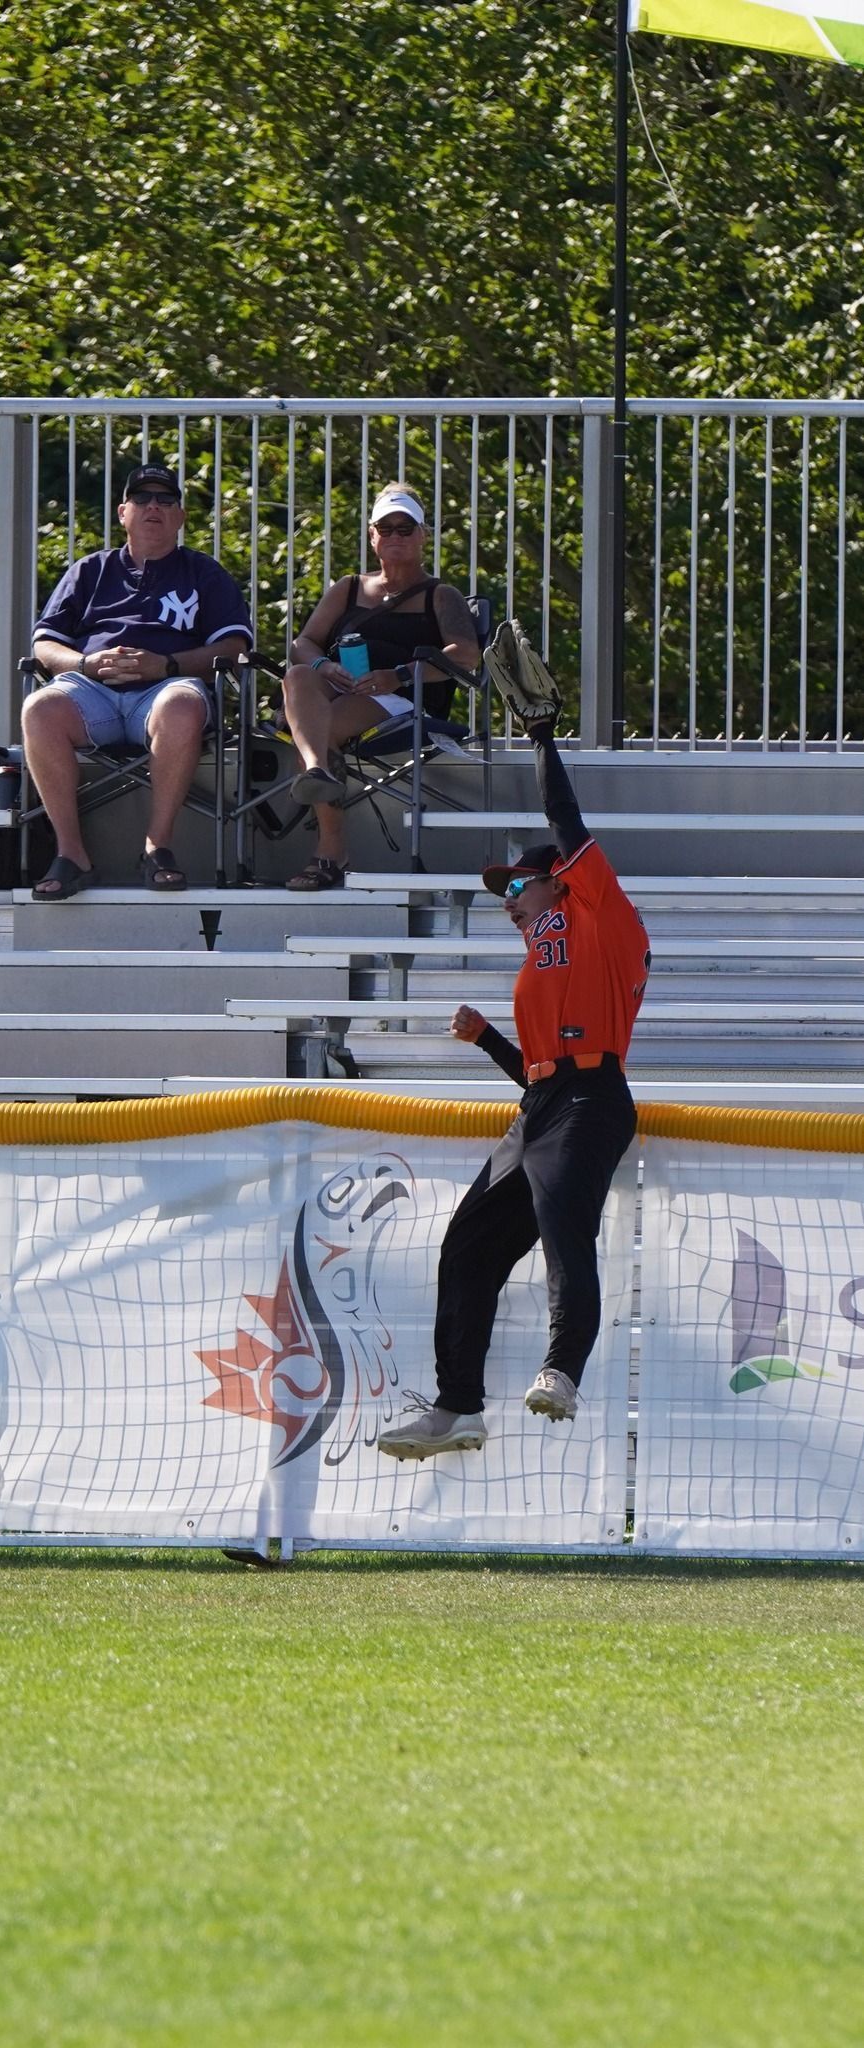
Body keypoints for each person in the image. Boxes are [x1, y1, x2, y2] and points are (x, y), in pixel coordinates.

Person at [377, 699, 651, 1460]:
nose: (505, 902)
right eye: (501, 893)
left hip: (594, 1099)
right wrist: (489, 1039)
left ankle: (562, 1369)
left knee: (566, 1230)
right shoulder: (538, 963)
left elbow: (565, 820)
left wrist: (539, 737)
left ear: (560, 883)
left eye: (516, 888)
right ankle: (458, 1407)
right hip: (545, 1105)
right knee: (466, 1249)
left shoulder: (602, 918)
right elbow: (537, 1076)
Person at [23, 465, 254, 899]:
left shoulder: (204, 573)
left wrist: (165, 665)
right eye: (143, 498)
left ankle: (157, 846)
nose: (154, 506)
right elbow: (44, 647)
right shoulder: (89, 571)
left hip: (166, 689)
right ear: (122, 512)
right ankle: (71, 854)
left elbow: (234, 649)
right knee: (38, 708)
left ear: (180, 516)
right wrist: (87, 663)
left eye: (166, 500)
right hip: (93, 688)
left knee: (181, 705)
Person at [278, 483, 481, 891]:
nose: (395, 537)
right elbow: (302, 643)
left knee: (317, 730)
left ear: (424, 535)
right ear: (372, 537)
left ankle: (330, 850)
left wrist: (399, 675)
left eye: (405, 528)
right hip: (339, 689)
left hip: (403, 700)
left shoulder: (441, 595)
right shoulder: (349, 588)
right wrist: (325, 665)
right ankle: (317, 768)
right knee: (298, 674)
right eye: (385, 529)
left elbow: (466, 655)